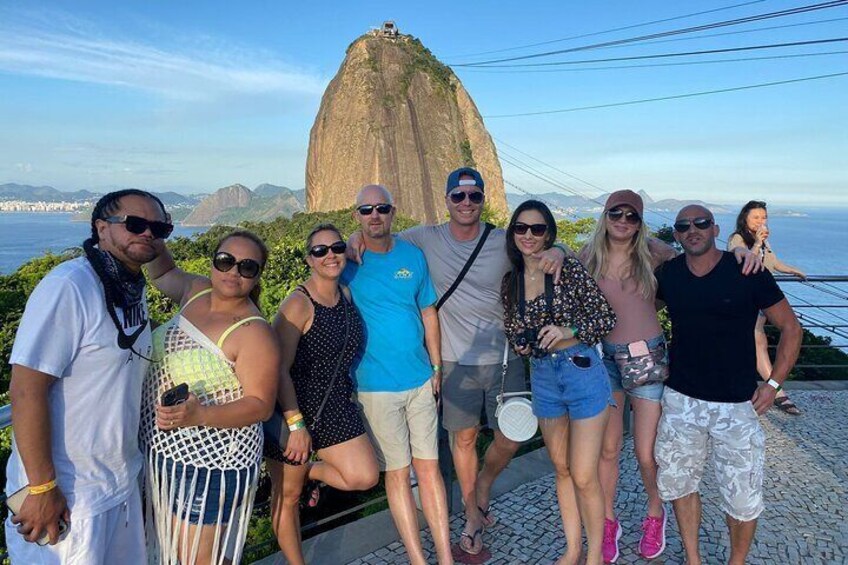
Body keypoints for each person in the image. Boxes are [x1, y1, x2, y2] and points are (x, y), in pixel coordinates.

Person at [348, 167, 567, 555]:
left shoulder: (503, 240)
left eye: (474, 196)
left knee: (513, 433)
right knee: (462, 440)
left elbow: (545, 248)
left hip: (503, 356)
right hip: (452, 359)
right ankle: (470, 511)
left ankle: (482, 484)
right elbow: (380, 238)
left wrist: (558, 251)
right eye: (458, 196)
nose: (466, 203)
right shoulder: (423, 238)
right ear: (446, 200)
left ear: (483, 200)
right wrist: (352, 240)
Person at [5, 189, 171, 563]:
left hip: (119, 486)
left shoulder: (131, 287)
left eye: (159, 228)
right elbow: (26, 390)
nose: (148, 234)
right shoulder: (70, 286)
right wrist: (42, 488)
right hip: (66, 499)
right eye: (134, 224)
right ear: (101, 228)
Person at [654, 205, 802, 565]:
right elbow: (634, 305)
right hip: (681, 400)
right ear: (676, 234)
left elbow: (791, 328)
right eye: (684, 225)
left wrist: (772, 384)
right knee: (679, 485)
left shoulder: (746, 270)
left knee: (743, 497)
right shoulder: (669, 275)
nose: (694, 230)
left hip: (737, 405)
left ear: (715, 228)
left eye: (701, 223)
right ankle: (693, 559)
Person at [141, 230, 281, 564]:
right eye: (226, 261)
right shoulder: (195, 290)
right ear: (213, 262)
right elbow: (160, 273)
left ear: (257, 276)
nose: (234, 271)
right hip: (165, 451)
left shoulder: (254, 333)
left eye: (247, 267)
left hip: (211, 463)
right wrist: (154, 234)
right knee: (168, 552)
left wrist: (199, 415)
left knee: (196, 560)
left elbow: (260, 405)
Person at [342, 184, 453, 565]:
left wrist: (436, 366)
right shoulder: (345, 262)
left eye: (382, 208)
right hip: (375, 388)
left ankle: (445, 557)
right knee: (398, 474)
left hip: (421, 380)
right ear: (356, 216)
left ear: (392, 212)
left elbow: (428, 312)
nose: (375, 215)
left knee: (430, 469)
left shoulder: (412, 256)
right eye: (366, 209)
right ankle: (418, 560)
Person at [502, 200, 617, 565]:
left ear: (549, 233)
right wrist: (522, 341)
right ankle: (573, 548)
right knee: (563, 469)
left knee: (584, 474)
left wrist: (569, 330)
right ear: (513, 233)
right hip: (544, 377)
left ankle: (596, 554)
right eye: (521, 228)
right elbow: (513, 330)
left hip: (581, 370)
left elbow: (605, 317)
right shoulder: (511, 282)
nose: (529, 236)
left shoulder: (566, 269)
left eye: (537, 229)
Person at [265, 223, 379, 565]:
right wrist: (296, 425)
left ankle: (310, 471)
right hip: (295, 410)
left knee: (364, 476)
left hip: (336, 407)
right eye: (320, 251)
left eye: (336, 247)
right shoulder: (298, 304)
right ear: (309, 260)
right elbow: (278, 369)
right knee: (288, 496)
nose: (330, 255)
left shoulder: (345, 293)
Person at [579, 190, 676, 563]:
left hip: (647, 356)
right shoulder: (589, 256)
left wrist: (744, 254)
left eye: (631, 216)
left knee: (646, 451)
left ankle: (655, 513)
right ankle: (607, 522)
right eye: (615, 213)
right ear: (605, 215)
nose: (622, 221)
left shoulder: (654, 253)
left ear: (640, 221)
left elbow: (699, 263)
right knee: (607, 449)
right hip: (604, 360)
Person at [728, 200, 806, 415]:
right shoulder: (737, 239)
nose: (761, 221)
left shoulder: (762, 241)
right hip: (748, 300)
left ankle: (769, 389)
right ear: (745, 219)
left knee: (757, 343)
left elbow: (774, 264)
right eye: (756, 217)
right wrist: (756, 244)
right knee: (757, 343)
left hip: (763, 301)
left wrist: (795, 271)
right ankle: (777, 392)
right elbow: (744, 261)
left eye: (764, 217)